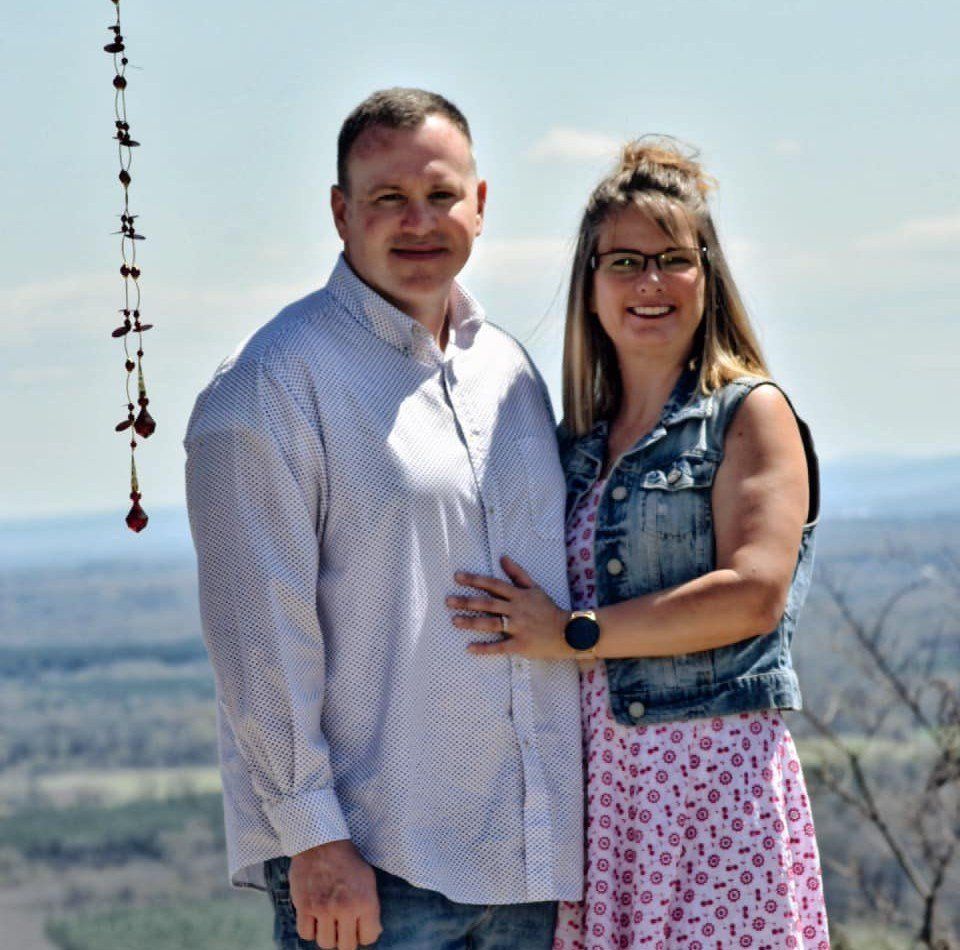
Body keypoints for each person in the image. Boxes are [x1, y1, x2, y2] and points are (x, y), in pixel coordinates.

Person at [184, 88, 584, 950]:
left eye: (440, 195)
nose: (418, 221)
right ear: (340, 212)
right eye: (387, 200)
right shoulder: (273, 385)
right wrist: (315, 841)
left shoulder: (509, 371)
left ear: (481, 204)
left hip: (530, 866)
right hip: (376, 871)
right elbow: (259, 638)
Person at [446, 139, 830, 948]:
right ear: (589, 285)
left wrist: (577, 633)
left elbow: (754, 593)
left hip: (715, 791)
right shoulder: (575, 447)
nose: (649, 282)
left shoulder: (748, 414)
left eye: (672, 259)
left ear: (707, 276)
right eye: (624, 260)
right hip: (603, 802)